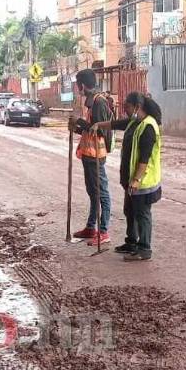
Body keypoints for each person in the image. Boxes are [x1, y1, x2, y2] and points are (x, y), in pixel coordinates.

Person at [91, 92, 162, 261]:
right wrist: (97, 125)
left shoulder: (148, 126)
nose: (125, 111)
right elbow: (115, 123)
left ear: (137, 107)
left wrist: (136, 179)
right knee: (129, 211)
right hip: (131, 179)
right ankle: (131, 242)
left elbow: (144, 159)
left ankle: (144, 249)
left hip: (143, 181)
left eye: (127, 107)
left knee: (142, 214)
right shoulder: (134, 122)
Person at [68, 68, 113, 247]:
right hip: (88, 155)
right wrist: (77, 128)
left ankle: (103, 231)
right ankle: (91, 227)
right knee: (92, 192)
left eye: (78, 85)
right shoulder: (91, 102)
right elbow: (90, 130)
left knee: (101, 193)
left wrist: (80, 122)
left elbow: (101, 129)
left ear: (83, 85)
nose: (77, 88)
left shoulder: (99, 102)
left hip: (96, 156)